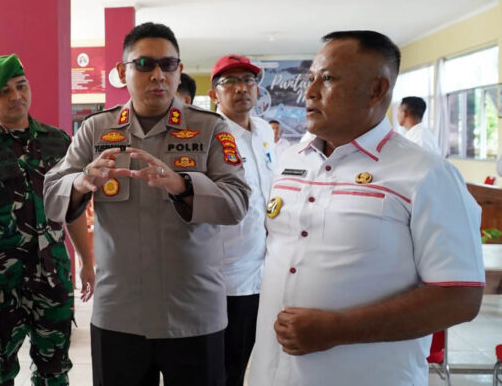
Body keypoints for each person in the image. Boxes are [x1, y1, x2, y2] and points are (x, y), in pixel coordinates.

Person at [249, 30, 484, 386]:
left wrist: (339, 329)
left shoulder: (426, 174)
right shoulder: (290, 161)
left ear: (376, 90)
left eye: (328, 79)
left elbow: (460, 297)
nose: (309, 92)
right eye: (310, 79)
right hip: (271, 373)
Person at [43, 22, 249, 386]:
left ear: (179, 71)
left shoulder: (210, 128)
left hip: (193, 313)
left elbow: (237, 202)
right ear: (122, 72)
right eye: (144, 64)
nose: (158, 75)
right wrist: (81, 181)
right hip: (120, 314)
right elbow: (52, 195)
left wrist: (184, 185)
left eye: (168, 65)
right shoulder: (96, 129)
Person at [0, 54, 94, 386]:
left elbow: (72, 210)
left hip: (52, 278)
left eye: (21, 86)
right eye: (4, 91)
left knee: (55, 370)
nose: (16, 96)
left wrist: (86, 260)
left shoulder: (58, 142)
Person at [207, 54, 274, 386]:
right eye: (229, 82)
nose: (241, 88)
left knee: (245, 359)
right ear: (214, 94)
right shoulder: (208, 135)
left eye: (248, 81)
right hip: (223, 275)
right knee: (217, 366)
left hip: (263, 270)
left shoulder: (264, 131)